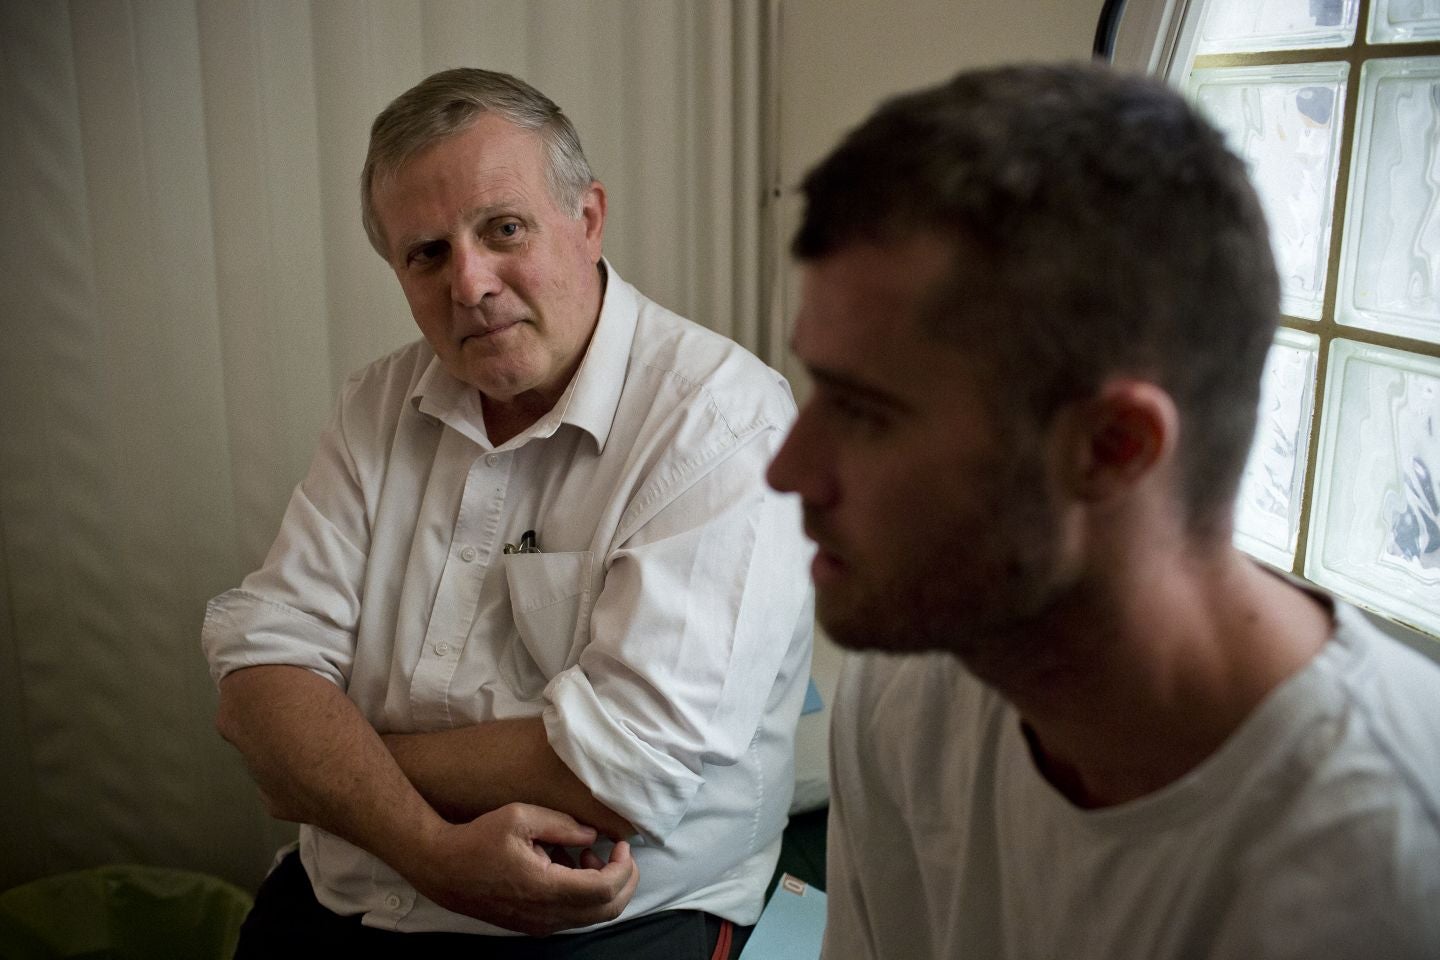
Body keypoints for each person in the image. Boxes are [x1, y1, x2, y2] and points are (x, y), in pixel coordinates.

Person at [766, 62, 1440, 959]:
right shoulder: (912, 689)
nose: (787, 468)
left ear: (1112, 449)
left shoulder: (1387, 870)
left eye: (864, 411)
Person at [202, 67, 813, 956]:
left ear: (589, 219)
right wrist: (428, 847)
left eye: (504, 229)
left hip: (612, 916)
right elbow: (259, 674)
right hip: (355, 887)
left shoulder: (723, 423)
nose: (471, 282)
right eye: (428, 254)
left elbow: (620, 775)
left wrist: (335, 763)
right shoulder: (378, 404)